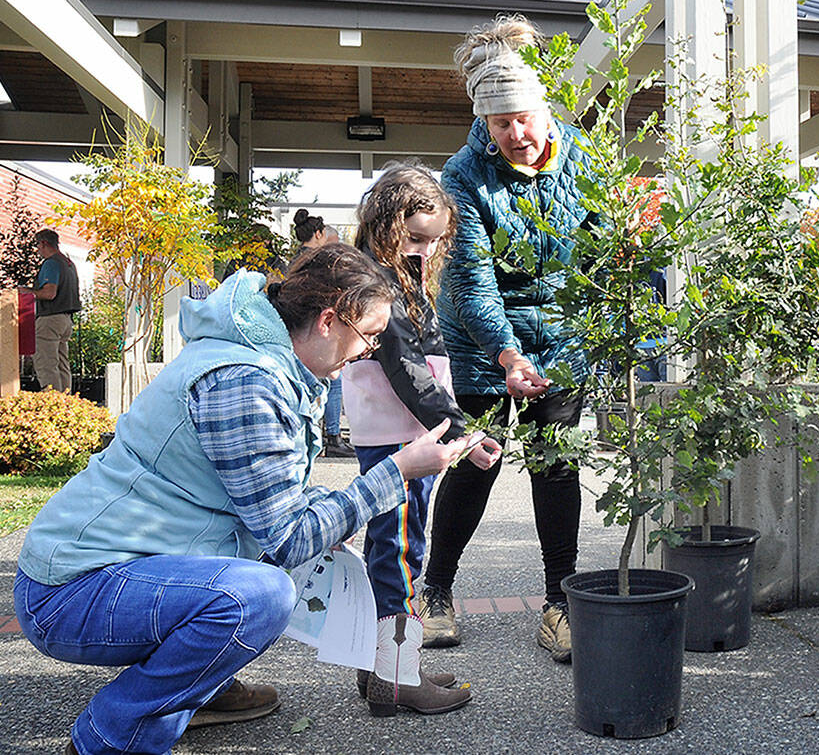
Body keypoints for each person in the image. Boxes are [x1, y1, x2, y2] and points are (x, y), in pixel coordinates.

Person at [14, 244, 496, 755]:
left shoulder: (265, 360)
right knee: (259, 595)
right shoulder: (246, 381)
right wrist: (394, 473)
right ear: (330, 320)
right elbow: (287, 538)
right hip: (68, 592)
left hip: (118, 569)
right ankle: (111, 737)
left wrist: (334, 511)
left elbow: (269, 493)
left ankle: (198, 692)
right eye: (370, 337)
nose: (371, 352)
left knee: (283, 567)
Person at [423, 15, 596, 664]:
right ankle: (435, 589)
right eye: (502, 124)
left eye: (524, 117)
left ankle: (560, 601)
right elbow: (469, 283)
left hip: (559, 341)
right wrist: (506, 354)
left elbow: (601, 252)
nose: (517, 134)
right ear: (485, 124)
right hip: (481, 343)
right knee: (477, 461)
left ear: (543, 108)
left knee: (557, 465)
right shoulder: (462, 176)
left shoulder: (583, 157)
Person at [342, 162, 502, 713]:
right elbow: (409, 368)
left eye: (434, 242)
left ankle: (381, 666)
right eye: (414, 238)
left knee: (389, 550)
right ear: (386, 222)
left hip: (400, 430)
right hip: (404, 434)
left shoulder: (383, 274)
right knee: (403, 553)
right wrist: (463, 430)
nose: (425, 252)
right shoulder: (379, 284)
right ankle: (398, 675)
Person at [294, 211, 353, 458]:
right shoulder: (318, 261)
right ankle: (333, 436)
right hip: (320, 328)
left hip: (298, 329)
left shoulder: (294, 261)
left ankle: (314, 437)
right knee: (333, 380)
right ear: (318, 234)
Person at [24, 228, 81, 391]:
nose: (38, 250)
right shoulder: (69, 263)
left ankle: (52, 405)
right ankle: (67, 405)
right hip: (66, 320)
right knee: (62, 365)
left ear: (43, 243)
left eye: (38, 246)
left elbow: (49, 293)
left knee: (46, 364)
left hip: (50, 319)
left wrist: (27, 292)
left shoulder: (51, 263)